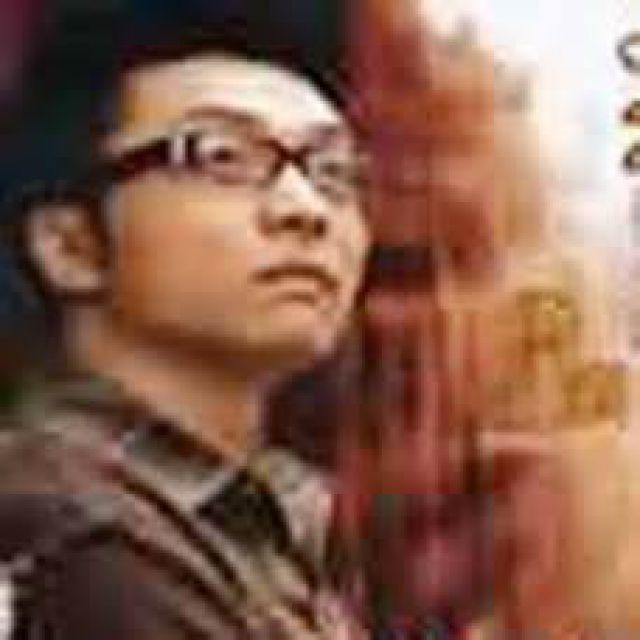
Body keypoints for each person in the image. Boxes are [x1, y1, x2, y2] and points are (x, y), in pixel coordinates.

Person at [0, 1, 369, 638]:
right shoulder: (75, 541)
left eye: (332, 171)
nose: (305, 208)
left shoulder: (253, 520)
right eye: (221, 156)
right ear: (70, 246)